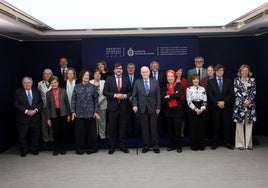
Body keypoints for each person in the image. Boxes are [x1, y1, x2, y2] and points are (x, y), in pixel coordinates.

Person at [103, 63, 131, 154]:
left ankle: (123, 146)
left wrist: (126, 95)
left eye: (120, 68)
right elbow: (105, 92)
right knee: (113, 128)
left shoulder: (126, 79)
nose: (118, 70)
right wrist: (115, 95)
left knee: (123, 127)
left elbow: (130, 91)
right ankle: (112, 147)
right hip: (112, 108)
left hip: (123, 107)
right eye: (117, 68)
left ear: (122, 70)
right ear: (114, 70)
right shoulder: (109, 79)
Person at [132, 66, 161, 154]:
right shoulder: (137, 82)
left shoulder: (155, 82)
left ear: (149, 72)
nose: (145, 73)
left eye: (146, 72)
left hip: (153, 108)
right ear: (141, 73)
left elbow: (158, 96)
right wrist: (134, 105)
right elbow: (134, 96)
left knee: (154, 128)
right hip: (142, 108)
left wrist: (158, 107)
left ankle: (155, 146)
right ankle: (146, 146)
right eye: (143, 72)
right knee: (144, 129)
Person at [71, 69, 100, 155]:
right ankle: (80, 149)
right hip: (79, 114)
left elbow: (95, 100)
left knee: (91, 133)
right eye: (85, 75)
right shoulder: (76, 87)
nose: (86, 76)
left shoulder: (92, 87)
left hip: (90, 114)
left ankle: (91, 149)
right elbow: (73, 100)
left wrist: (95, 111)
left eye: (88, 75)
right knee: (80, 133)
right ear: (81, 76)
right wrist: (73, 111)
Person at [14, 77, 43, 157]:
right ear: (22, 83)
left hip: (35, 117)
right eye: (25, 83)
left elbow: (41, 102)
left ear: (32, 83)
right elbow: (16, 104)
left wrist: (36, 110)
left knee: (36, 135)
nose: (27, 84)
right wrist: (26, 111)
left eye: (28, 82)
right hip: (23, 118)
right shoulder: (18, 92)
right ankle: (24, 150)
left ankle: (34, 149)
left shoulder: (36, 91)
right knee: (22, 136)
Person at [207, 64, 234, 150]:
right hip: (215, 107)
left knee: (226, 126)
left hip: (226, 107)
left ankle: (227, 142)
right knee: (215, 126)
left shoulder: (228, 81)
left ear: (223, 71)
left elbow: (231, 93)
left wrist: (224, 102)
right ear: (215, 72)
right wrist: (217, 102)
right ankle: (215, 143)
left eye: (221, 70)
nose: (219, 72)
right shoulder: (211, 82)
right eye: (218, 70)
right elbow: (210, 94)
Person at [233, 64, 256, 150]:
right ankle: (240, 144)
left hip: (250, 106)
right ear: (240, 71)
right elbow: (236, 92)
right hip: (239, 106)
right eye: (243, 70)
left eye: (246, 70)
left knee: (249, 124)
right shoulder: (236, 80)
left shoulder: (252, 80)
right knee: (239, 125)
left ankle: (248, 144)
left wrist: (249, 101)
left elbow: (253, 92)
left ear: (248, 71)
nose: (244, 72)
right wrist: (244, 101)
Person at [46, 76, 71, 155]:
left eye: (55, 82)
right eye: (52, 83)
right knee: (56, 132)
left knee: (63, 131)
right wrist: (48, 118)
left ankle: (63, 149)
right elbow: (47, 107)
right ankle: (56, 149)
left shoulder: (63, 91)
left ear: (58, 83)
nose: (54, 84)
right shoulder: (48, 93)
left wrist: (69, 115)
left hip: (63, 113)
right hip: (53, 114)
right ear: (50, 84)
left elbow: (67, 103)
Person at [162, 70, 183, 153]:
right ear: (166, 78)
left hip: (177, 111)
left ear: (174, 77)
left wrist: (169, 96)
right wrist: (173, 96)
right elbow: (163, 98)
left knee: (177, 129)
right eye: (168, 76)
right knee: (170, 130)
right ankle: (172, 145)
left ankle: (179, 146)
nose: (170, 78)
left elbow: (178, 95)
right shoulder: (164, 87)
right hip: (168, 111)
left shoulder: (178, 85)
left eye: (171, 76)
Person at [186, 74, 207, 151]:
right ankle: (194, 145)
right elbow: (188, 101)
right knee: (193, 127)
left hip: (201, 108)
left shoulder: (203, 89)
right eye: (194, 79)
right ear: (192, 80)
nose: (196, 80)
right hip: (193, 109)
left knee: (201, 127)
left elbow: (205, 100)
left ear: (199, 80)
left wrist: (201, 109)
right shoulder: (189, 89)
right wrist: (196, 109)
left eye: (197, 79)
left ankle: (201, 145)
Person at [37, 68, 54, 145]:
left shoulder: (54, 82)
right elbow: (38, 96)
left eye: (49, 73)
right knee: (44, 123)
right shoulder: (40, 84)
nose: (47, 75)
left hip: (53, 107)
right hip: (44, 107)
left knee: (52, 123)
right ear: (43, 75)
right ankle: (45, 139)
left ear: (51, 75)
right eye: (45, 73)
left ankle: (52, 138)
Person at [90, 70, 107, 139]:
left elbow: (105, 94)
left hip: (102, 104)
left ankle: (102, 135)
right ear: (93, 75)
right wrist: (94, 103)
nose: (97, 75)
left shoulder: (104, 82)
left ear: (100, 75)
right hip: (92, 105)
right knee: (94, 121)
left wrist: (98, 102)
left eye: (99, 74)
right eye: (96, 73)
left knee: (102, 121)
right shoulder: (90, 82)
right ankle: (95, 135)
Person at [149, 60, 165, 136]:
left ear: (158, 67)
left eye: (156, 66)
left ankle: (161, 132)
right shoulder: (147, 75)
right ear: (150, 67)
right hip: (150, 100)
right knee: (151, 117)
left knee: (160, 117)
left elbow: (165, 86)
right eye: (153, 66)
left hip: (161, 99)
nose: (155, 67)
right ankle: (152, 132)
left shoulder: (163, 75)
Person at [126, 62, 140, 137]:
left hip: (137, 102)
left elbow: (140, 89)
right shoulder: (124, 77)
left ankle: (136, 134)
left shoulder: (139, 77)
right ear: (127, 69)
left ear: (134, 69)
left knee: (137, 118)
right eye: (129, 68)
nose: (131, 69)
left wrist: (134, 97)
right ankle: (128, 134)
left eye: (132, 68)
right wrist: (129, 97)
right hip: (126, 102)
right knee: (127, 118)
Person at [64, 68, 77, 144]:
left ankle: (75, 139)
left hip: (76, 106)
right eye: (68, 73)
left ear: (74, 74)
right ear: (66, 75)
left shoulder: (77, 82)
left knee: (76, 123)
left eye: (72, 73)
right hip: (66, 105)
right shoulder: (63, 83)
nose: (70, 75)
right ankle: (69, 139)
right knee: (67, 122)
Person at [176, 67, 188, 138]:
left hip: (182, 102)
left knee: (182, 118)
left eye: (180, 71)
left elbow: (185, 92)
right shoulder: (173, 79)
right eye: (177, 71)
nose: (178, 73)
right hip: (174, 102)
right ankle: (176, 132)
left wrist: (180, 100)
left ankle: (182, 132)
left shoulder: (184, 80)